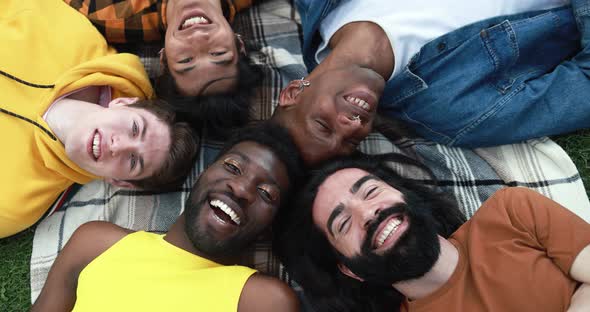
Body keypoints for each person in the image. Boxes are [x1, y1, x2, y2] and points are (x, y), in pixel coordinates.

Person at [271, 0, 590, 165]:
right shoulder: (453, 110)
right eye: (352, 142)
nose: (353, 126)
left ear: (294, 91)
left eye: (323, 126)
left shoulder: (317, 6)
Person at [31, 123, 303, 312]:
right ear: (203, 174)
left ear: (269, 228)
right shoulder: (96, 243)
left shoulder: (262, 300)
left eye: (267, 194)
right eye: (233, 167)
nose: (241, 189)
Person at [274, 153, 590, 311]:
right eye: (343, 224)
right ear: (350, 269)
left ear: (404, 194)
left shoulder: (512, 210)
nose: (368, 213)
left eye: (370, 191)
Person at [0, 0, 198, 238]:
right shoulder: (71, 36)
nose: (119, 145)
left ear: (120, 182)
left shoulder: (13, 204)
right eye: (135, 129)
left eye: (133, 161)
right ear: (123, 103)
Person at [66, 0, 263, 137]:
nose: (197, 38)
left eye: (186, 60)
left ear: (163, 58)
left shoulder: (107, 12)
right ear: (239, 44)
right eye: (218, 53)